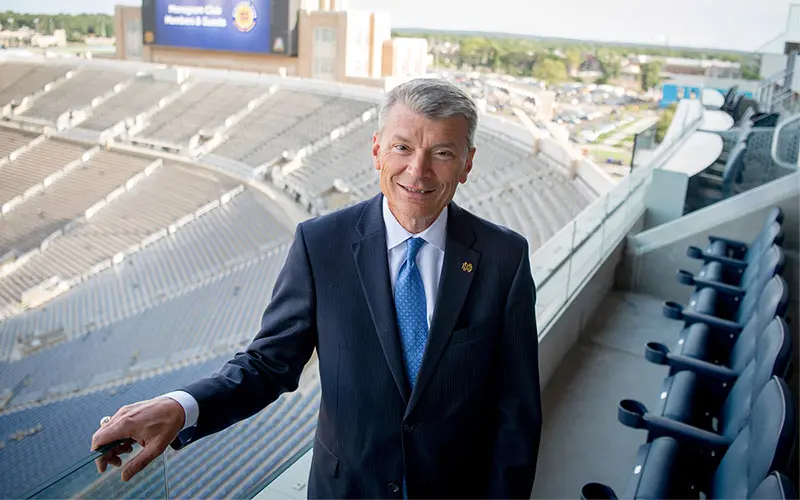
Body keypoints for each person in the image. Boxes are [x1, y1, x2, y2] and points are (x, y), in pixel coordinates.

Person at [91, 77, 543, 499]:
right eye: (402, 147)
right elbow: (269, 364)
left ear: (467, 164)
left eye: (442, 153)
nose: (417, 170)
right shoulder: (320, 244)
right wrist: (182, 406)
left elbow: (517, 410)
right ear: (377, 152)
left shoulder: (504, 257)